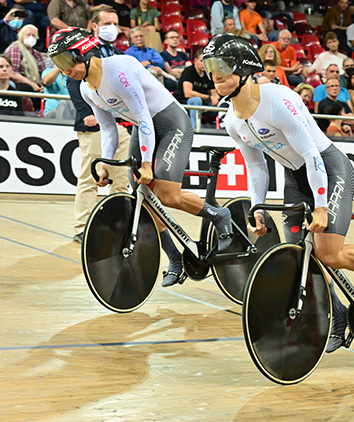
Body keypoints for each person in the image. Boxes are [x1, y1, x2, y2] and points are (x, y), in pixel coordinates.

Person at [203, 34, 354, 354]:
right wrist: (257, 207)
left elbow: (313, 154)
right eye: (209, 66)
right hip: (294, 177)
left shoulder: (277, 99)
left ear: (244, 70)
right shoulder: (233, 120)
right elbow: (256, 166)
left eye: (222, 66)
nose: (215, 74)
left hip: (328, 167)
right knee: (300, 253)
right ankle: (339, 316)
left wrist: (321, 206)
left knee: (328, 253)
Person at [49, 27, 234, 287]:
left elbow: (145, 116)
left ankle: (219, 215)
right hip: (142, 128)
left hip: (170, 124)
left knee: (168, 195)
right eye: (59, 64)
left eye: (67, 61)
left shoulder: (120, 69)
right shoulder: (86, 89)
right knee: (143, 195)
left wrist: (147, 164)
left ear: (85, 52)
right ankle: (175, 258)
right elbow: (109, 129)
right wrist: (104, 162)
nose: (65, 70)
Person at [66, 8, 133, 244]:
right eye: (107, 23)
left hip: (118, 124)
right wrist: (86, 113)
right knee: (90, 177)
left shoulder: (114, 52)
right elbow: (72, 79)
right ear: (94, 26)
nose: (112, 28)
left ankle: (119, 225)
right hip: (93, 124)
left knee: (121, 178)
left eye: (115, 23)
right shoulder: (81, 49)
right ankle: (82, 227)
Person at [174, 48, 219, 128]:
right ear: (195, 60)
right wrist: (208, 97)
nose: (204, 64)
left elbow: (214, 94)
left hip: (203, 103)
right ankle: (195, 129)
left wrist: (216, 99)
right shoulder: (189, 71)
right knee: (196, 100)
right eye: (202, 61)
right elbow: (188, 93)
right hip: (184, 102)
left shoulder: (209, 74)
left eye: (207, 62)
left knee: (223, 103)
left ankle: (224, 128)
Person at [4, 23, 44, 97]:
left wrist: (42, 85)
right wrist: (31, 84)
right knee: (26, 88)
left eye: (33, 35)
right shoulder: (15, 49)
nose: (31, 37)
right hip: (19, 84)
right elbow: (13, 72)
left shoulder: (36, 53)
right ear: (21, 36)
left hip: (35, 84)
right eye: (28, 35)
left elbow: (42, 72)